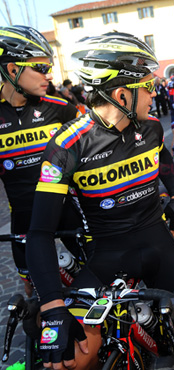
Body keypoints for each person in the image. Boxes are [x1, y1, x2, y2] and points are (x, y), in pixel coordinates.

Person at [26, 32, 174, 370]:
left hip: (159, 247)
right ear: (122, 94)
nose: (154, 94)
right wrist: (52, 305)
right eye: (148, 86)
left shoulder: (150, 127)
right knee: (70, 361)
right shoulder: (68, 144)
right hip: (106, 256)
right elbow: (39, 233)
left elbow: (166, 164)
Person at [0, 25, 84, 296]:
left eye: (49, 67)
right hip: (24, 218)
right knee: (34, 293)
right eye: (41, 67)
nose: (49, 75)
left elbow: (95, 147)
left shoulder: (58, 107)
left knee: (94, 281)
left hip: (66, 210)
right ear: (13, 70)